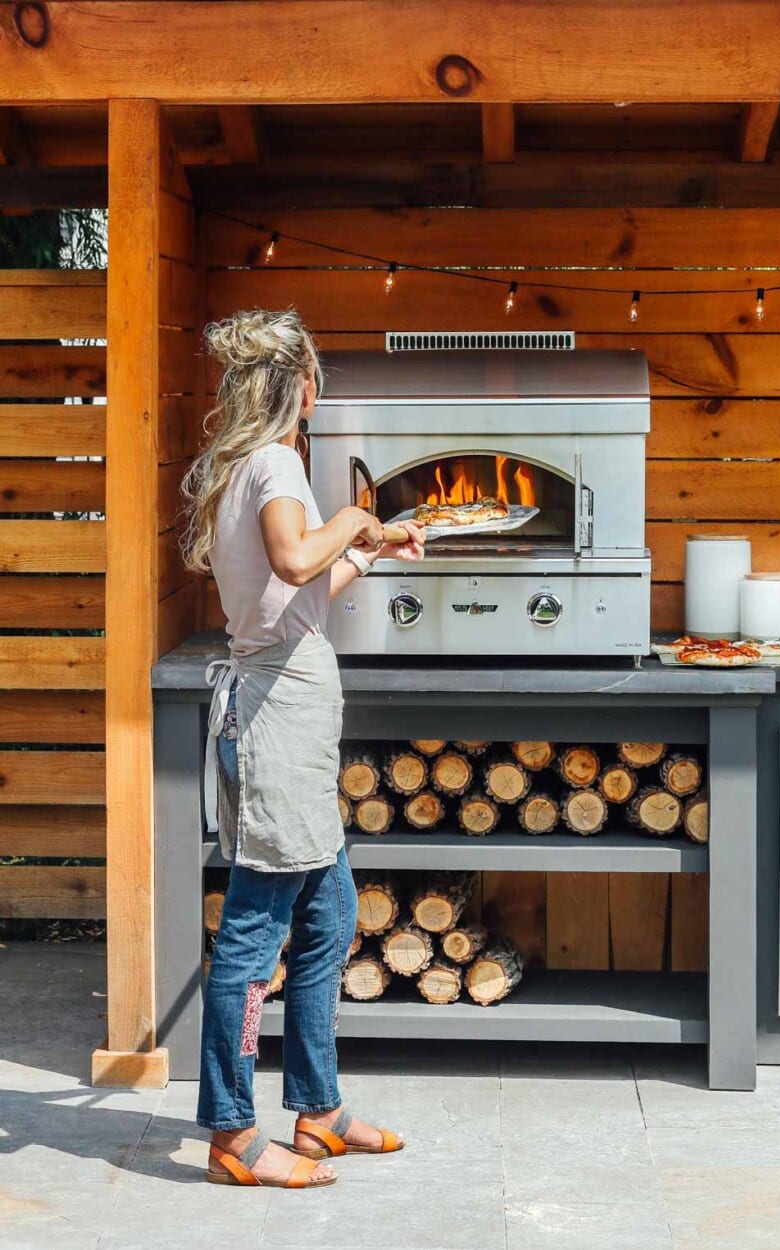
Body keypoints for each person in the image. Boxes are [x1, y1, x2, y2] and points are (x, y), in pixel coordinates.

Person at [180, 308, 425, 1189]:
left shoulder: (248, 466)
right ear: (304, 388)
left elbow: (303, 588)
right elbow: (292, 559)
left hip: (287, 722)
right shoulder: (279, 460)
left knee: (327, 920)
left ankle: (317, 1110)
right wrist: (359, 515)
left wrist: (381, 545)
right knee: (253, 939)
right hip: (278, 727)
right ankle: (233, 1133)